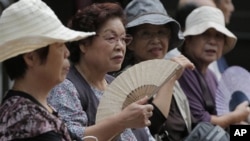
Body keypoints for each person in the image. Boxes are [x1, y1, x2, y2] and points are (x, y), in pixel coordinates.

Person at [48, 3, 155, 141]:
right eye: (111, 38)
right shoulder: (66, 85)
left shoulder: (117, 84)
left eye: (123, 39)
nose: (120, 46)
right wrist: (121, 122)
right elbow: (71, 135)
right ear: (84, 43)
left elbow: (145, 135)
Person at [0, 0, 95, 140]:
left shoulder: (29, 109)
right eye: (59, 46)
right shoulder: (28, 121)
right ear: (31, 57)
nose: (66, 53)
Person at [113, 0, 195, 140]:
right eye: (146, 33)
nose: (156, 40)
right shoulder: (126, 81)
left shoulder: (172, 75)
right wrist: (169, 78)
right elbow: (149, 126)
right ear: (130, 43)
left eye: (162, 33)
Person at [177, 6, 250, 128]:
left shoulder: (210, 74)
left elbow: (221, 116)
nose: (213, 42)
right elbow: (202, 123)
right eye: (205, 34)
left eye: (218, 36)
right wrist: (237, 115)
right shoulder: (183, 70)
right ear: (188, 40)